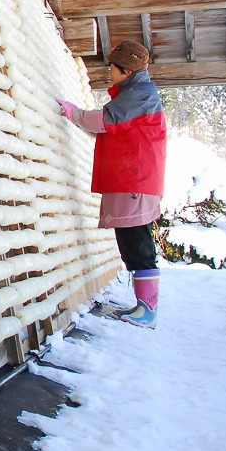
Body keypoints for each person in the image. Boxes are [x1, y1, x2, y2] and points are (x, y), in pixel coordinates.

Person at [56, 40, 166, 328]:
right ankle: (144, 306)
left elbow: (104, 120)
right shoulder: (137, 93)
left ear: (126, 71)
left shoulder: (138, 96)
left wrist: (74, 114)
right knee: (131, 240)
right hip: (133, 179)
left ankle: (148, 308)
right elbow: (112, 129)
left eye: (113, 69)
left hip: (135, 180)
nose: (110, 73)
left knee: (136, 241)